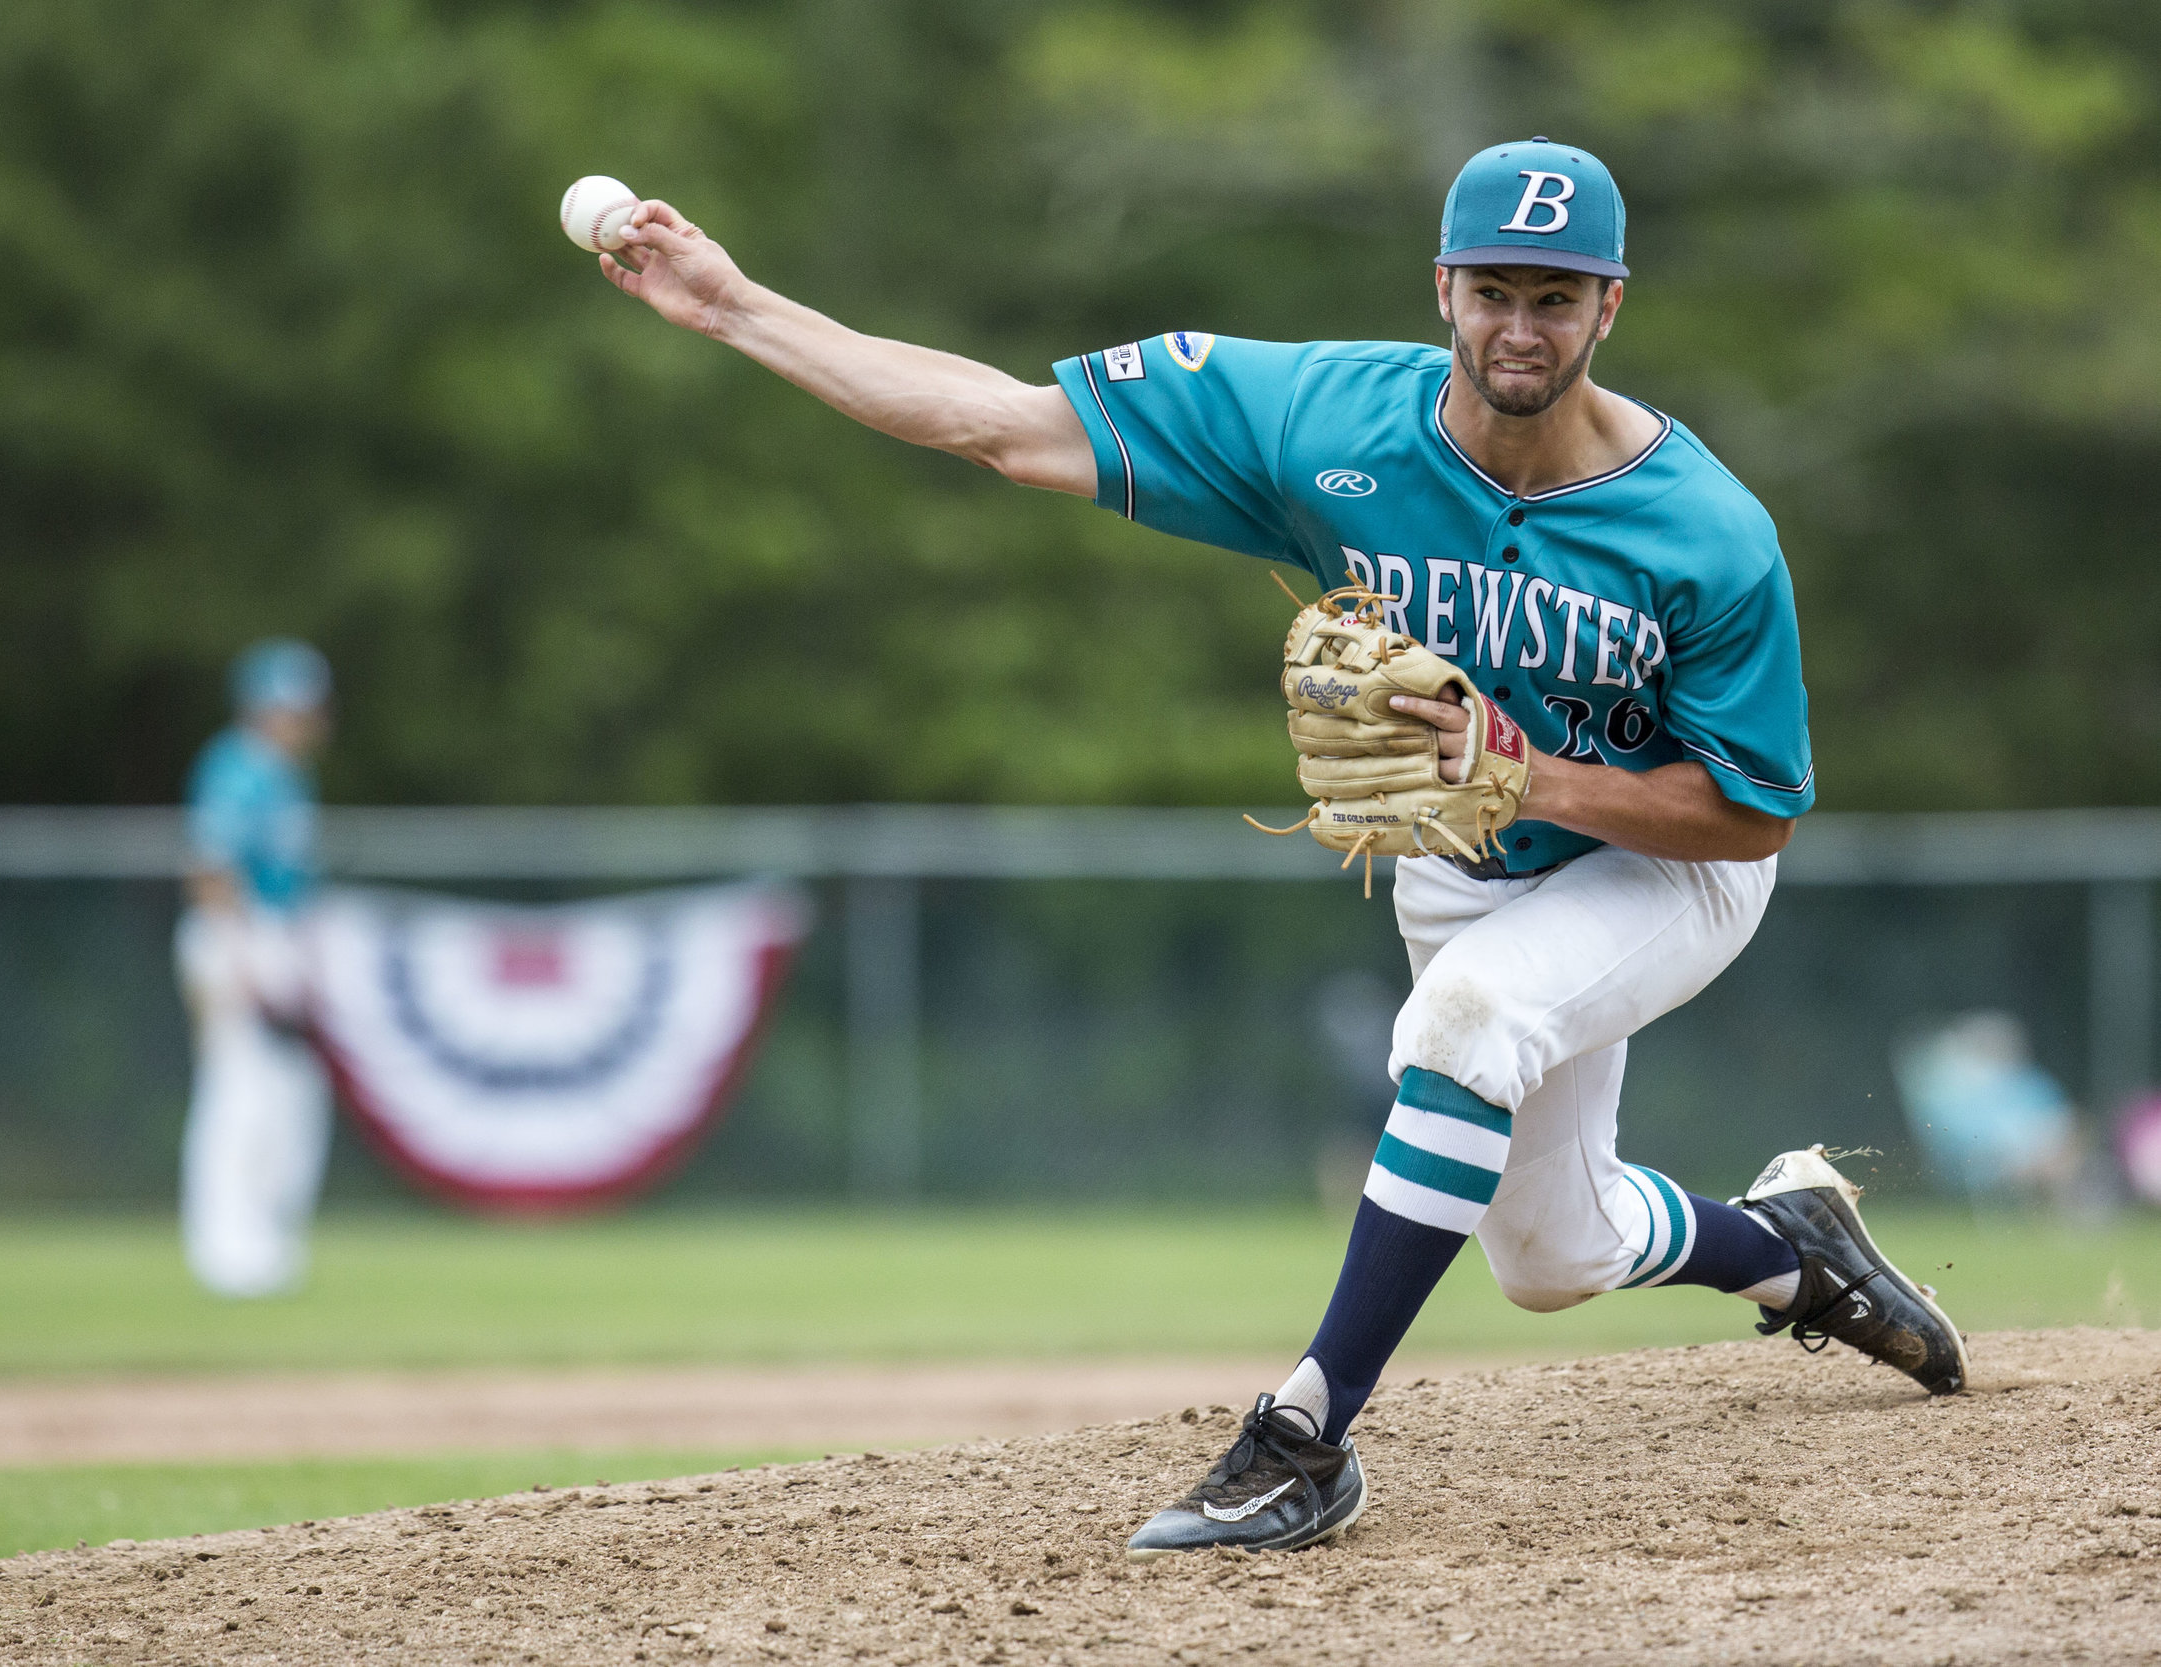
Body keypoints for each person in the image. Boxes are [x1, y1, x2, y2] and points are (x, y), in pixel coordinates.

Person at [597, 136, 1969, 1555]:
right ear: (1441, 285)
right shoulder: (1319, 415)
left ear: (1611, 307)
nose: (1520, 326)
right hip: (1467, 855)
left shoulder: (1707, 531)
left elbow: (1755, 805)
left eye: (1555, 298)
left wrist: (1534, 774)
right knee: (1553, 1254)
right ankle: (1792, 1251)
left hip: (1667, 860)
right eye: (1494, 288)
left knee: (1466, 1020)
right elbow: (997, 425)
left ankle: (1305, 1436)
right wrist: (736, 305)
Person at [176, 639, 334, 1298]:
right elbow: (211, 869)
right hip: (237, 938)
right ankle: (225, 1249)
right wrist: (237, 952)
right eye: (290, 707)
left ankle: (266, 1239)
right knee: (239, 1090)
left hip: (279, 939)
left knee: (289, 1097)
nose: (304, 719)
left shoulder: (285, 776)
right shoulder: (235, 769)